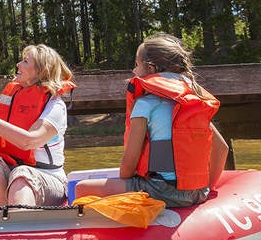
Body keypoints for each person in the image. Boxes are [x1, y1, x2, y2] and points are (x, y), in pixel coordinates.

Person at [74, 33, 229, 208]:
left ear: (150, 69)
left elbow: (129, 162)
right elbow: (222, 149)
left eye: (136, 65)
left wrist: (127, 189)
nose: (134, 71)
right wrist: (207, 187)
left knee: (82, 188)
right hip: (198, 193)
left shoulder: (145, 104)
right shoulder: (193, 103)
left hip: (160, 190)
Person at [0, 44, 75, 206]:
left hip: (47, 178)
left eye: (25, 61)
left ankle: (15, 221)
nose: (18, 64)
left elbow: (28, 142)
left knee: (21, 175)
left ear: (41, 71)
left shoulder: (55, 106)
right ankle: (4, 213)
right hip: (13, 171)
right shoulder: (15, 95)